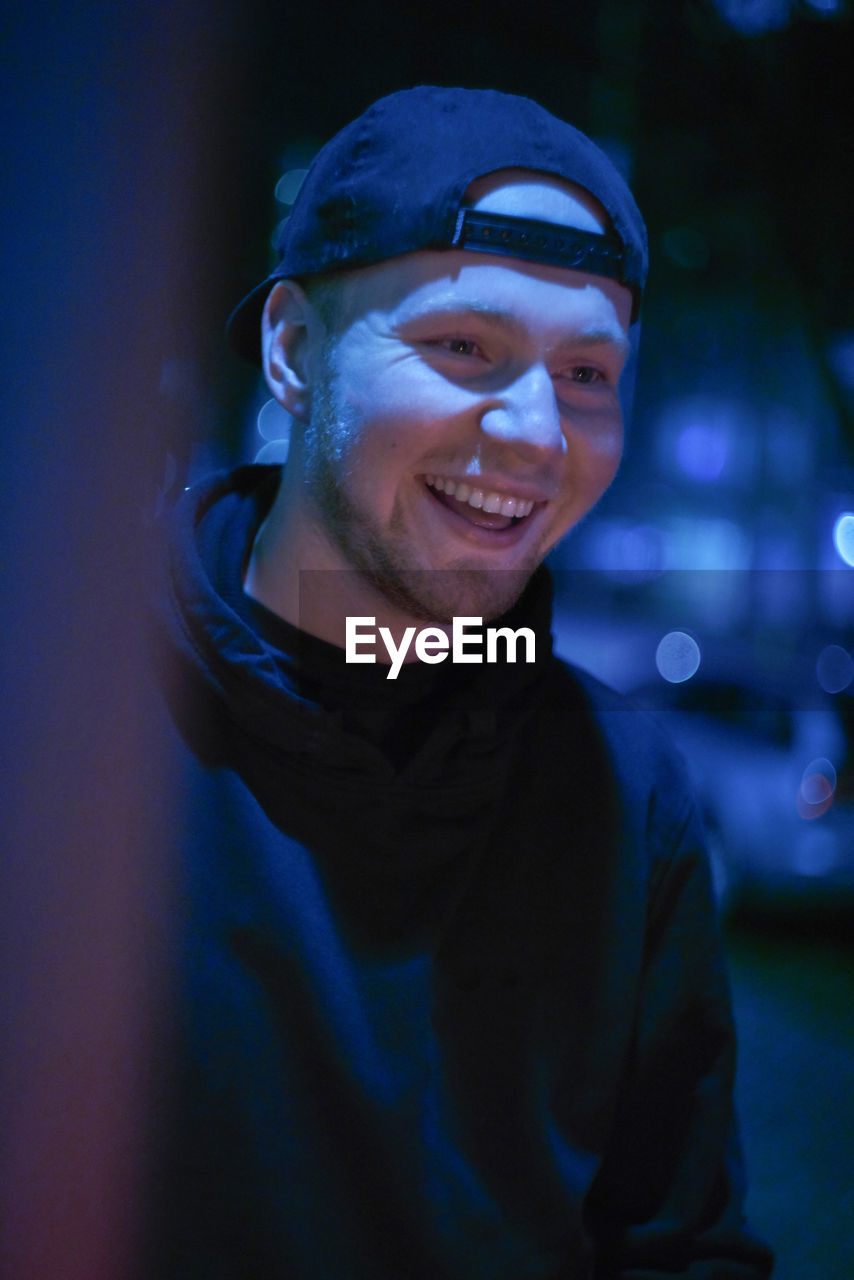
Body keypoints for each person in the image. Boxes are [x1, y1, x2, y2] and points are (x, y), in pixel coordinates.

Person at [151, 86, 774, 1278]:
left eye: (588, 372)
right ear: (293, 350)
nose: (538, 431)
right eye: (461, 346)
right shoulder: (63, 721)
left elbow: (679, 1239)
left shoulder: (620, 784)